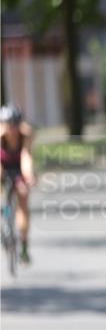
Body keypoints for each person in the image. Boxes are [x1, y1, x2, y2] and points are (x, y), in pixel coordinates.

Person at [0, 104, 35, 264]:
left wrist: (28, 176)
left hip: (19, 168)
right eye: (8, 124)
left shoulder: (25, 134)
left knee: (23, 195)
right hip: (3, 166)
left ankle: (24, 246)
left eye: (15, 124)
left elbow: (26, 156)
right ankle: (4, 217)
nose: (12, 129)